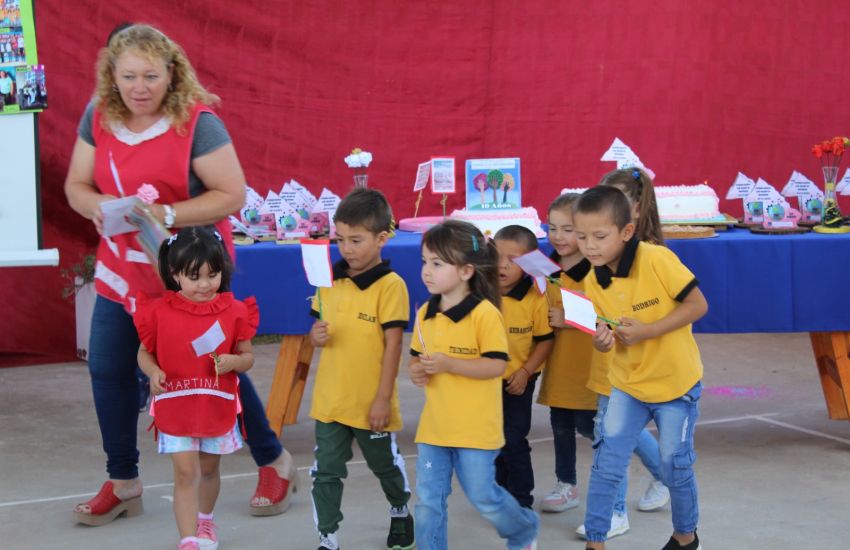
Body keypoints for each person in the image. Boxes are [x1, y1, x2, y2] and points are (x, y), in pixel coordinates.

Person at [64, 24, 295, 527]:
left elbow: (231, 195)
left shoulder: (198, 122)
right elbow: (76, 185)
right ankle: (124, 481)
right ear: (112, 75)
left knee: (216, 370)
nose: (139, 86)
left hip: (192, 274)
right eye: (128, 76)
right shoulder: (98, 115)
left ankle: (275, 461)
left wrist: (168, 215)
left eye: (150, 75)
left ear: (172, 73)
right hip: (123, 271)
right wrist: (99, 205)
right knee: (107, 369)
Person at [573, 186, 707, 550]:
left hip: (675, 384)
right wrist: (603, 340)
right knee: (607, 462)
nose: (590, 246)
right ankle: (596, 541)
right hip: (628, 384)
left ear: (626, 232)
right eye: (581, 236)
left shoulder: (657, 259)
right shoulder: (592, 277)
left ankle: (685, 536)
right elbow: (607, 329)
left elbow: (697, 305)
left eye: (600, 236)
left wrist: (647, 331)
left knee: (674, 463)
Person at [409, 220, 539, 550]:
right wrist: (417, 371)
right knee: (427, 502)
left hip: (476, 432)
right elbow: (416, 358)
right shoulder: (425, 312)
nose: (427, 271)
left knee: (485, 497)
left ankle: (523, 529)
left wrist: (450, 363)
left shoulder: (485, 314)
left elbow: (496, 365)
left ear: (466, 271)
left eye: (437, 264)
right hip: (435, 430)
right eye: (424, 261)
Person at [134, 226, 257, 550]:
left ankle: (205, 520)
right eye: (194, 276)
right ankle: (188, 539)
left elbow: (247, 357)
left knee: (208, 467)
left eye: (212, 274)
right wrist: (153, 371)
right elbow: (144, 351)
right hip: (176, 403)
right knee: (186, 471)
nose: (205, 284)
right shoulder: (159, 312)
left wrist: (233, 361)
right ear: (175, 274)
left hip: (214, 404)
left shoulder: (234, 312)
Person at [307, 188, 414, 550]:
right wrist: (315, 335)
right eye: (340, 239)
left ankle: (400, 509)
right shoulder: (328, 280)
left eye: (356, 240)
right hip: (331, 400)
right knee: (326, 472)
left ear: (382, 238)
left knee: (384, 465)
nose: (347, 249)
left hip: (372, 402)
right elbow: (319, 327)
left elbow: (394, 344)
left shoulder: (391, 285)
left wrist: (383, 398)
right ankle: (328, 536)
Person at [574, 168, 672, 539]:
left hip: (634, 363)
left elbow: (672, 310)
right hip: (607, 360)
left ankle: (614, 512)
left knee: (609, 434)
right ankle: (668, 476)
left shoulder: (652, 257)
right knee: (615, 429)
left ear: (634, 210)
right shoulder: (599, 257)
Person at [535, 193, 602, 521]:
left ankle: (653, 470)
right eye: (552, 228)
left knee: (593, 427)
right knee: (560, 423)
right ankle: (567, 485)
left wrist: (569, 319)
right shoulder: (546, 268)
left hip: (589, 366)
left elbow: (610, 318)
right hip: (559, 364)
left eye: (568, 229)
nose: (559, 237)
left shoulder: (598, 272)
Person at [492, 225, 554, 509]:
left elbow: (544, 341)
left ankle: (521, 501)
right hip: (484, 382)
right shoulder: (480, 293)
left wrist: (526, 371)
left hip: (518, 382)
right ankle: (499, 493)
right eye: (497, 256)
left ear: (529, 263)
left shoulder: (535, 299)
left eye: (513, 259)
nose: (502, 265)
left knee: (514, 440)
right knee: (492, 441)